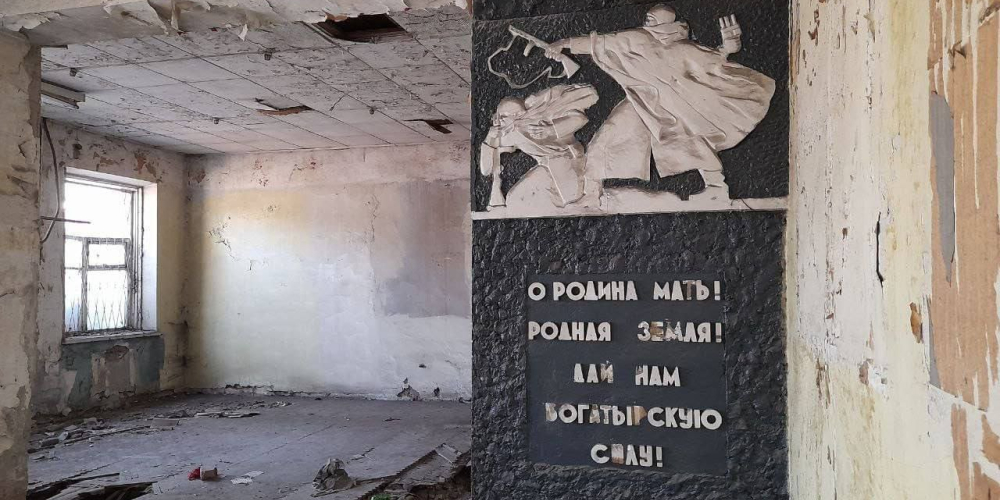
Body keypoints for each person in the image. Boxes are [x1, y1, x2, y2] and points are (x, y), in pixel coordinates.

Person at [545, 5, 775, 199]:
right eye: (648, 18)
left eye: (652, 19)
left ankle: (716, 187)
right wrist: (565, 43)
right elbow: (602, 42)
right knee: (610, 134)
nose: (647, 21)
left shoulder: (680, 47)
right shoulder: (639, 38)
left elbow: (710, 61)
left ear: (665, 23)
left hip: (669, 108)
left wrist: (728, 48)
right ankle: (592, 193)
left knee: (687, 140)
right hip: (642, 101)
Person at [480, 84, 599, 208]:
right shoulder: (508, 133)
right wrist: (489, 138)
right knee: (515, 200)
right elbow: (486, 170)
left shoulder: (540, 114)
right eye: (500, 118)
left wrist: (550, 129)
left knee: (574, 204)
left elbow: (580, 119)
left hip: (566, 159)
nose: (500, 122)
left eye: (504, 118)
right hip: (546, 166)